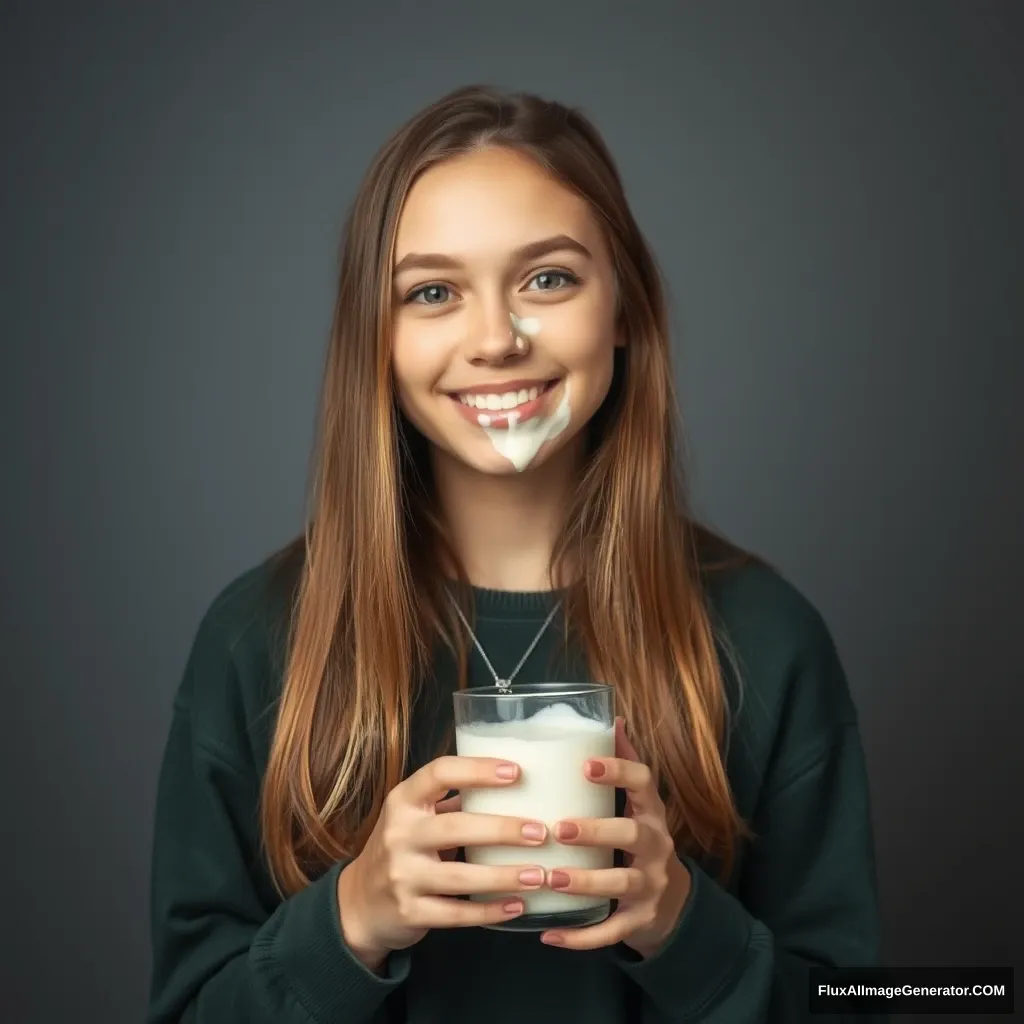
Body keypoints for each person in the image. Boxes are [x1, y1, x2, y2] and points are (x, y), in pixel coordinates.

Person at [146, 85, 883, 1023]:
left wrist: (686, 924)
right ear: (378, 339)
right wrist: (351, 918)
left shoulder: (767, 638)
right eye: (433, 292)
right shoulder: (258, 641)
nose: (495, 339)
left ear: (624, 308)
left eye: (548, 279)